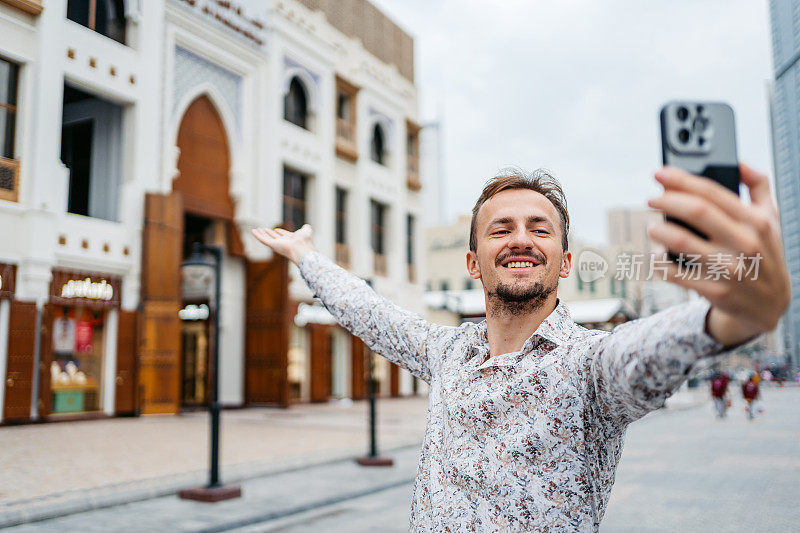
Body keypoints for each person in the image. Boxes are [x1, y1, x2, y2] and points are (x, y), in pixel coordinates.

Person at [252, 163, 789, 531]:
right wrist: (306, 257)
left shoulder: (591, 367)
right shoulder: (448, 352)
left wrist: (736, 315)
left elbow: (650, 348)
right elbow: (371, 314)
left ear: (565, 261)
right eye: (500, 229)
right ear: (472, 261)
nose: (520, 239)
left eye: (539, 228)